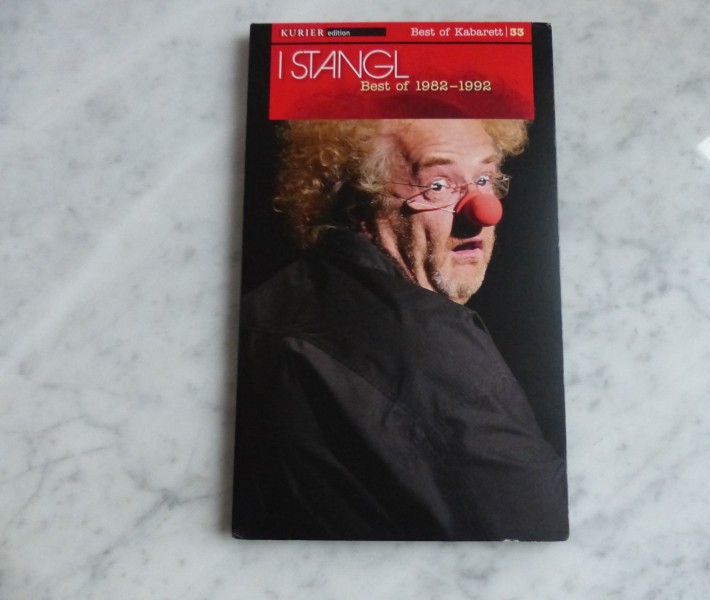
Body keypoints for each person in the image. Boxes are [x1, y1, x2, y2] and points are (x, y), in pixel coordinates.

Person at [232, 119, 568, 541]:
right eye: (438, 186)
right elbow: (539, 521)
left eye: (484, 179)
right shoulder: (431, 344)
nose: (484, 211)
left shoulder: (266, 305)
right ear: (359, 209)